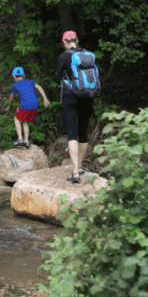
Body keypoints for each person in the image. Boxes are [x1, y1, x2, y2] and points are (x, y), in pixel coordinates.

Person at [56, 31, 97, 183]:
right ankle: (79, 166)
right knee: (83, 132)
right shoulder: (88, 55)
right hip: (87, 97)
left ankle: (75, 172)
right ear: (77, 40)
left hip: (70, 97)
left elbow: (58, 78)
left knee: (72, 133)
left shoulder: (64, 56)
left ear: (64, 42)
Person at [5, 67, 50, 147]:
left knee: (16, 118)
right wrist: (45, 99)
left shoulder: (15, 85)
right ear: (24, 75)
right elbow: (39, 87)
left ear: (14, 76)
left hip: (26, 105)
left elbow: (11, 98)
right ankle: (26, 141)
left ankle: (20, 139)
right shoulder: (30, 81)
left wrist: (9, 106)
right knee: (24, 120)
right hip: (35, 105)